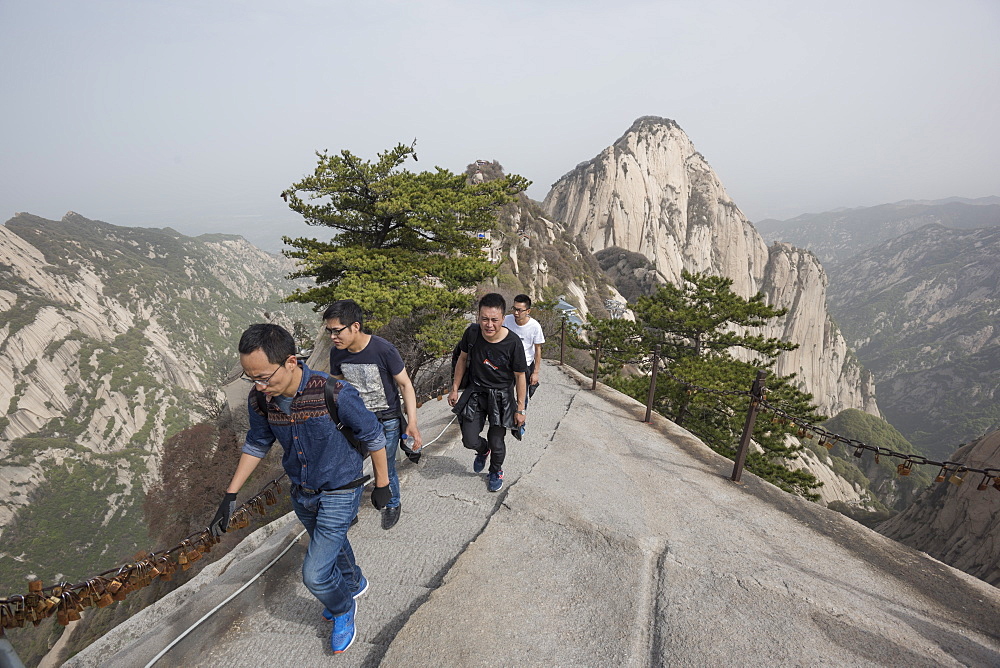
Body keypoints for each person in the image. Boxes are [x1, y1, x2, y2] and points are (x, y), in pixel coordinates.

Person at [210, 323, 391, 655]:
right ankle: (353, 583)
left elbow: (373, 436)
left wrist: (383, 485)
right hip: (303, 491)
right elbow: (257, 443)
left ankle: (342, 607)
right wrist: (230, 494)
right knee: (332, 547)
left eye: (265, 377)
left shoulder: (334, 392)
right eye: (252, 379)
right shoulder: (262, 400)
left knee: (315, 573)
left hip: (341, 487)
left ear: (291, 361)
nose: (261, 386)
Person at [324, 299, 423, 530]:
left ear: (355, 326)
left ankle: (392, 503)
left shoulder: (383, 350)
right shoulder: (337, 354)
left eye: (337, 331)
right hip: (355, 419)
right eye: (330, 331)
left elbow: (405, 385)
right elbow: (336, 388)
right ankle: (351, 508)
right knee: (349, 465)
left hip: (385, 419)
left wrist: (413, 423)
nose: (332, 337)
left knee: (385, 466)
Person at [448, 293, 527, 493]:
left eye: (494, 320)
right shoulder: (472, 333)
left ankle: (495, 470)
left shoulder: (513, 342)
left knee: (497, 441)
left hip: (501, 396)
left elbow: (520, 376)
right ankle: (483, 451)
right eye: (484, 319)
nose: (489, 325)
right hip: (476, 392)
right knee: (469, 439)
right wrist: (455, 388)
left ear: (503, 318)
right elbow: (462, 359)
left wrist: (521, 409)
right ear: (478, 317)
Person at [502, 293, 545, 404]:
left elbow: (538, 349)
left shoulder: (535, 326)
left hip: (525, 364)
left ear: (528, 311)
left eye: (520, 310)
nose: (516, 313)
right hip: (507, 363)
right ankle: (505, 419)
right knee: (504, 393)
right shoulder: (506, 320)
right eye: (514, 309)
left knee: (522, 396)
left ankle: (521, 418)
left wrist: (535, 372)